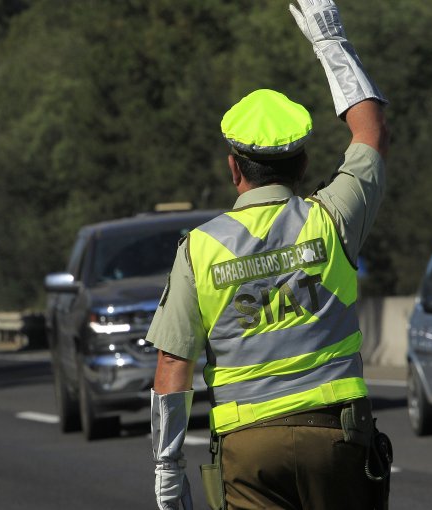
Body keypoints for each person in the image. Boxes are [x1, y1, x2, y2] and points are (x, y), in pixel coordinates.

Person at [149, 1, 389, 509]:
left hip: (248, 449)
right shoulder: (333, 219)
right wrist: (330, 42)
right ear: (303, 163)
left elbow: (174, 365)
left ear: (234, 169)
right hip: (337, 440)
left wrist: (168, 471)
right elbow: (370, 134)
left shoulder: (199, 250)